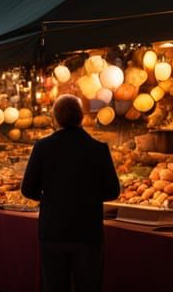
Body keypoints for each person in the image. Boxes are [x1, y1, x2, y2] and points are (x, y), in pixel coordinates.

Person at [22, 95, 120, 292]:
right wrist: (87, 197)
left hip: (53, 230)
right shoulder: (98, 149)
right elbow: (112, 191)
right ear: (81, 117)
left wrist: (51, 199)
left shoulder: (43, 147)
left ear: (56, 118)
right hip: (88, 232)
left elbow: (28, 189)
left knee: (55, 286)